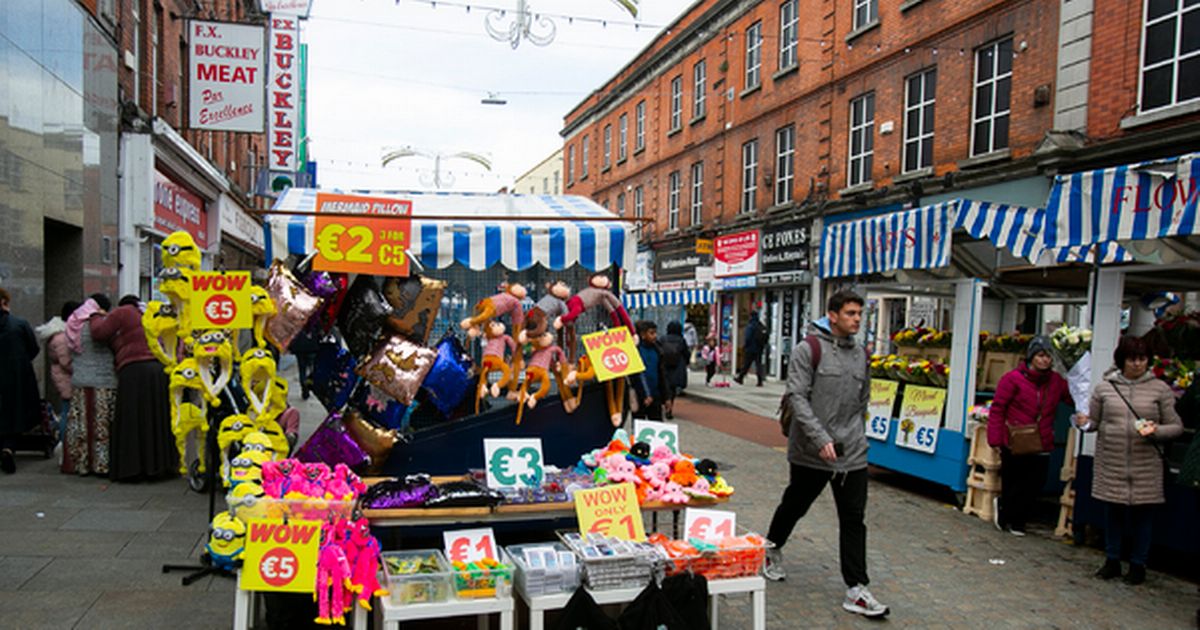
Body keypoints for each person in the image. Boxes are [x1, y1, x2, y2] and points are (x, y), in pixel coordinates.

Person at [764, 290, 889, 618]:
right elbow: (797, 397)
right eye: (850, 313)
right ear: (832, 315)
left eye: (859, 313)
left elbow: (863, 400)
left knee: (853, 518)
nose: (857, 319)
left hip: (852, 453)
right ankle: (772, 548)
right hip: (811, 451)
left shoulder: (861, 354)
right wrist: (820, 438)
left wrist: (857, 438)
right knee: (795, 504)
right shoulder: (810, 349)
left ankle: (857, 589)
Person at [1075, 335, 1182, 585]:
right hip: (1112, 461)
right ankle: (1112, 559)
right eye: (1132, 359)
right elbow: (1095, 422)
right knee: (1113, 513)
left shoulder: (1160, 390)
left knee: (1142, 517)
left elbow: (1176, 426)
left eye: (1142, 359)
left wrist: (1157, 430)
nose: (1137, 364)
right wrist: (1085, 422)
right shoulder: (1105, 388)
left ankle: (1138, 564)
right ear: (1121, 360)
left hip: (1145, 464)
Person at [987, 335, 1077, 536]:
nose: (1045, 360)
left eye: (1048, 356)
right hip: (1016, 439)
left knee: (1036, 482)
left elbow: (1071, 398)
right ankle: (1010, 516)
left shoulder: (1055, 382)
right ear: (1031, 357)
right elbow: (998, 408)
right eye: (1041, 356)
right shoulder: (1012, 379)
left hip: (1042, 439)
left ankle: (1018, 517)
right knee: (1014, 480)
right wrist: (995, 438)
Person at [90, 295, 177, 481]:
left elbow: (99, 332)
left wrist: (95, 316)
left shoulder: (123, 312)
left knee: (134, 420)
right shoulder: (148, 313)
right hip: (159, 369)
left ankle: (133, 469)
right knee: (156, 420)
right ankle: (160, 467)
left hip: (134, 371)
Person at [63, 295, 117, 475]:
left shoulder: (73, 322)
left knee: (81, 426)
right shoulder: (100, 323)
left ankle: (81, 464)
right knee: (101, 426)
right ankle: (101, 465)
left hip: (80, 381)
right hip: (103, 381)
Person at [0, 287, 42, 474]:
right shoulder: (19, 324)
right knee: (14, 413)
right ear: (4, 302)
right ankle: (8, 448)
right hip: (16, 377)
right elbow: (33, 349)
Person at [36, 301, 81, 441]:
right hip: (67, 379)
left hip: (62, 377)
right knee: (67, 413)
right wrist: (81, 370)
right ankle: (64, 444)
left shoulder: (58, 334)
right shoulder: (62, 337)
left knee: (67, 411)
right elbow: (66, 362)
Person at [630, 320, 670, 421]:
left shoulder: (657, 350)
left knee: (657, 425)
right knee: (639, 429)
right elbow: (636, 375)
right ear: (643, 334)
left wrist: (666, 397)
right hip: (640, 397)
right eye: (651, 333)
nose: (655, 336)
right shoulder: (636, 351)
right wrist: (644, 394)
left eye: (655, 333)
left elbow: (662, 375)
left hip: (655, 395)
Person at [660, 321, 690, 417]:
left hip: (664, 366)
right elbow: (686, 354)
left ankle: (663, 404)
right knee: (672, 390)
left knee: (664, 387)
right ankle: (669, 408)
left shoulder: (663, 339)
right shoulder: (681, 340)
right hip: (677, 368)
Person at [735, 311, 767, 386]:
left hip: (750, 349)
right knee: (758, 365)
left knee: (746, 364)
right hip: (759, 349)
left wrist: (745, 346)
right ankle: (760, 381)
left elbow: (748, 337)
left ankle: (740, 378)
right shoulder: (760, 325)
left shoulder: (750, 325)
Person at [290, 328, 321, 400]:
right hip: (312, 346)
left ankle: (304, 386)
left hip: (300, 347)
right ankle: (309, 383)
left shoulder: (298, 321)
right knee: (312, 368)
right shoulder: (314, 320)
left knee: (302, 369)